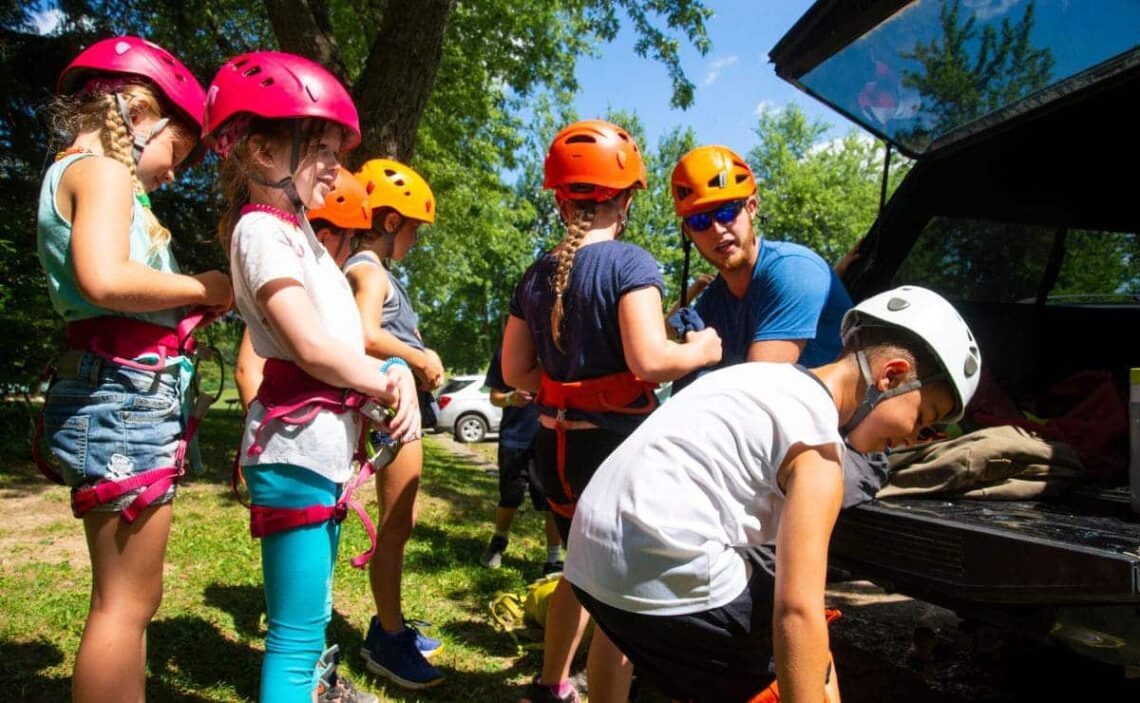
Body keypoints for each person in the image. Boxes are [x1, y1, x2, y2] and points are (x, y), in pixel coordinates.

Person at [565, 286, 983, 703]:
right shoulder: (820, 452)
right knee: (804, 637)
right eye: (924, 420)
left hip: (588, 563)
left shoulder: (761, 374)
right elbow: (796, 614)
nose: (913, 439)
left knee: (765, 580)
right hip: (651, 568)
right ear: (892, 376)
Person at [205, 50, 419, 703]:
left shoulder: (295, 229)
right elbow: (306, 343)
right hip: (294, 454)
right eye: (321, 148)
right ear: (263, 151)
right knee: (295, 640)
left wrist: (385, 370)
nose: (337, 166)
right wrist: (387, 378)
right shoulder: (261, 232)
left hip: (316, 452)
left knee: (311, 620)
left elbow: (340, 336)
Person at [34, 36, 231, 703]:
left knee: (128, 600)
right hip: (121, 395)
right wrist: (203, 287)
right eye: (179, 151)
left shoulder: (76, 173)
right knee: (123, 602)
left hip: (116, 384)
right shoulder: (105, 172)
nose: (176, 173)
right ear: (136, 109)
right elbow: (106, 277)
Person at [503, 119, 722, 703]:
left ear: (558, 197)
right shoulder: (630, 264)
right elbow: (650, 360)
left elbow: (516, 373)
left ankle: (552, 685)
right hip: (613, 455)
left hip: (554, 454)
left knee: (578, 571)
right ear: (624, 198)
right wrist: (701, 349)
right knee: (620, 603)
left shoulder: (534, 275)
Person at [670, 145, 887, 507]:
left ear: (751, 207)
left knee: (746, 518)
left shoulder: (792, 269)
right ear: (688, 233)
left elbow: (760, 394)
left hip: (845, 443)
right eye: (699, 221)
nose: (718, 229)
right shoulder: (711, 305)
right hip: (770, 442)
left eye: (726, 210)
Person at [345, 158, 446, 689]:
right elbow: (363, 335)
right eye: (414, 229)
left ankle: (392, 622)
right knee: (395, 525)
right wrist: (422, 357)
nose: (416, 240)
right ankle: (387, 638)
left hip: (398, 413)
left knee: (399, 525)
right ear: (390, 223)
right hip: (389, 417)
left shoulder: (375, 269)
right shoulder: (367, 267)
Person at [233, 169, 372, 410]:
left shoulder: (325, 291)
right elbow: (247, 372)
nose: (351, 251)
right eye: (351, 240)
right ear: (325, 236)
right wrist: (270, 426)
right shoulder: (284, 287)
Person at [479, 346, 563, 575]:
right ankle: (498, 543)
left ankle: (554, 560)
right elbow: (495, 397)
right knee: (509, 496)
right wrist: (510, 397)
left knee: (550, 500)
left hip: (549, 436)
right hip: (514, 438)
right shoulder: (507, 352)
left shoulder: (558, 348)